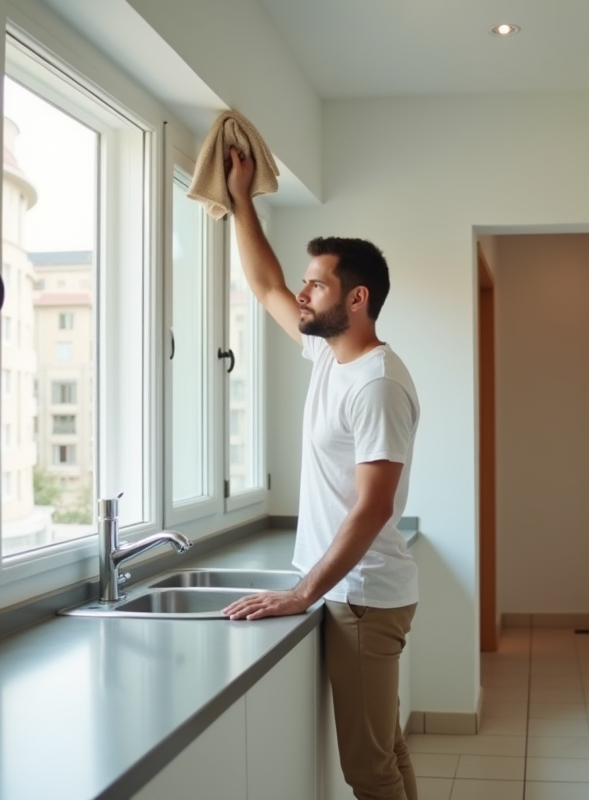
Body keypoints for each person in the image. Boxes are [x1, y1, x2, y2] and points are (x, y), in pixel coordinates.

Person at [221, 146, 421, 800]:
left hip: (362, 597)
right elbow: (266, 287)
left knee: (369, 770)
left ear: (357, 299)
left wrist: (303, 592)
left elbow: (373, 507)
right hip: (355, 592)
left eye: (317, 284)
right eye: (306, 282)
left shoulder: (377, 385)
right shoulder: (330, 357)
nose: (302, 293)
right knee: (386, 752)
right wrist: (241, 201)